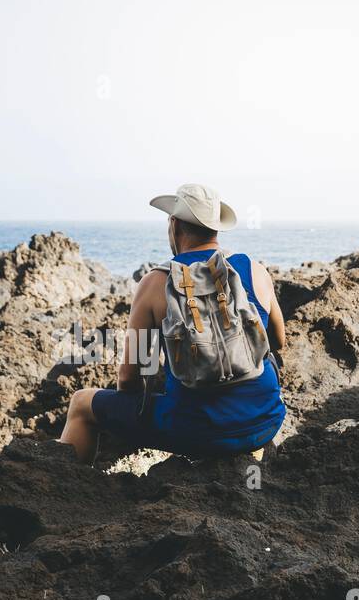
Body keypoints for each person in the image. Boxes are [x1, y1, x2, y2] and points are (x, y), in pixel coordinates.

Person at [58, 183, 287, 463]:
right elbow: (278, 341)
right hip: (266, 422)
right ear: (217, 228)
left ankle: (73, 492)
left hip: (197, 433)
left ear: (174, 225)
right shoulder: (255, 270)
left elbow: (130, 376)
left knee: (81, 404)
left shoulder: (155, 283)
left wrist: (131, 415)